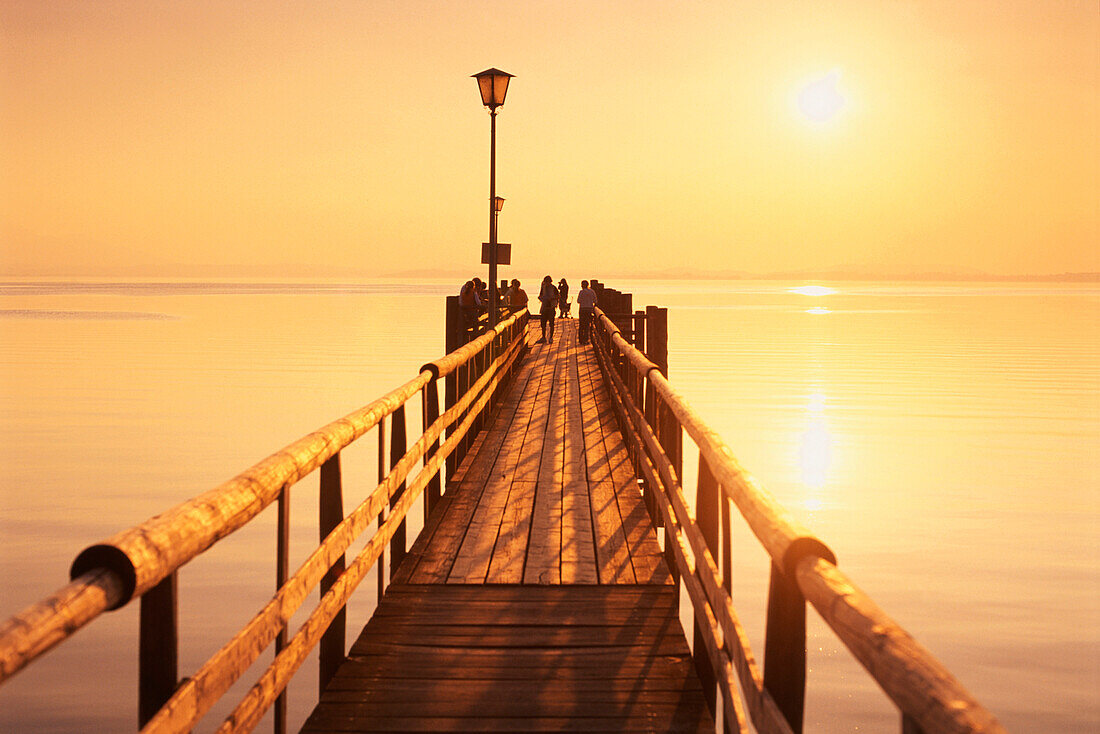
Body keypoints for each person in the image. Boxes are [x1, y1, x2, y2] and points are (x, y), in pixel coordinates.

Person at [536, 275, 558, 344]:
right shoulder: (543, 288)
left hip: (551, 307)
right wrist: (541, 298)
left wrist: (551, 299)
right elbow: (540, 295)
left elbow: (558, 296)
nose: (546, 283)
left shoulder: (554, 288)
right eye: (545, 282)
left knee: (551, 324)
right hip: (544, 307)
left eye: (547, 282)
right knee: (543, 324)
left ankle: (551, 337)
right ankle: (543, 337)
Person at [577, 279, 597, 344]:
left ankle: (581, 339)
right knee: (587, 324)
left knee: (581, 325)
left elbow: (578, 301)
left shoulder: (581, 292)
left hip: (582, 309)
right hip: (589, 309)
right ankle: (586, 339)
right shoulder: (592, 291)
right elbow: (595, 301)